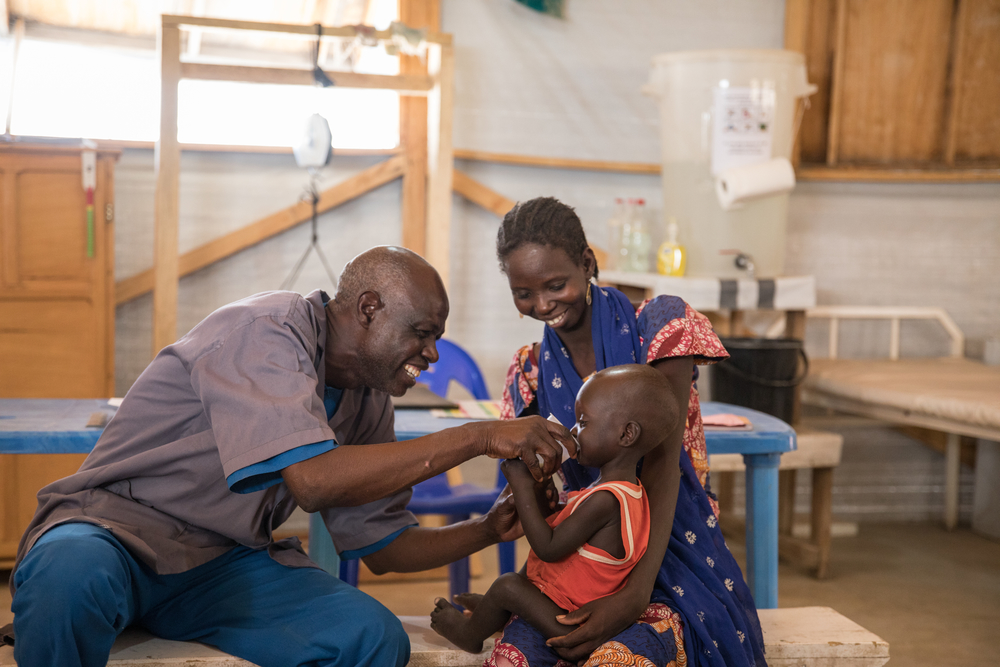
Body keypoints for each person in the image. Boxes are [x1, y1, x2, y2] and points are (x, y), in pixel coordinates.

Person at [8, 246, 573, 667]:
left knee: (372, 638)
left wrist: (488, 529)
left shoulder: (368, 397)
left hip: (218, 564)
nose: (431, 353)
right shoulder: (265, 331)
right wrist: (479, 435)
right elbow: (313, 482)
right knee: (70, 575)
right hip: (114, 534)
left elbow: (383, 547)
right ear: (370, 307)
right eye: (422, 333)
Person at [492, 198, 766, 667]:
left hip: (669, 543)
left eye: (556, 284)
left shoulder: (657, 326)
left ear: (587, 263)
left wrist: (635, 595)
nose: (542, 305)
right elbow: (542, 492)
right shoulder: (531, 370)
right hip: (584, 558)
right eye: (523, 293)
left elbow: (663, 461)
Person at [429, 365, 678, 661]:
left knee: (507, 584)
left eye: (583, 423)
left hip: (567, 622)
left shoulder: (607, 500)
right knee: (515, 585)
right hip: (565, 604)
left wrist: (522, 486)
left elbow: (548, 548)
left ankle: (470, 633)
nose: (573, 431)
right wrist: (550, 506)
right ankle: (493, 612)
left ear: (626, 434)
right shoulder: (628, 492)